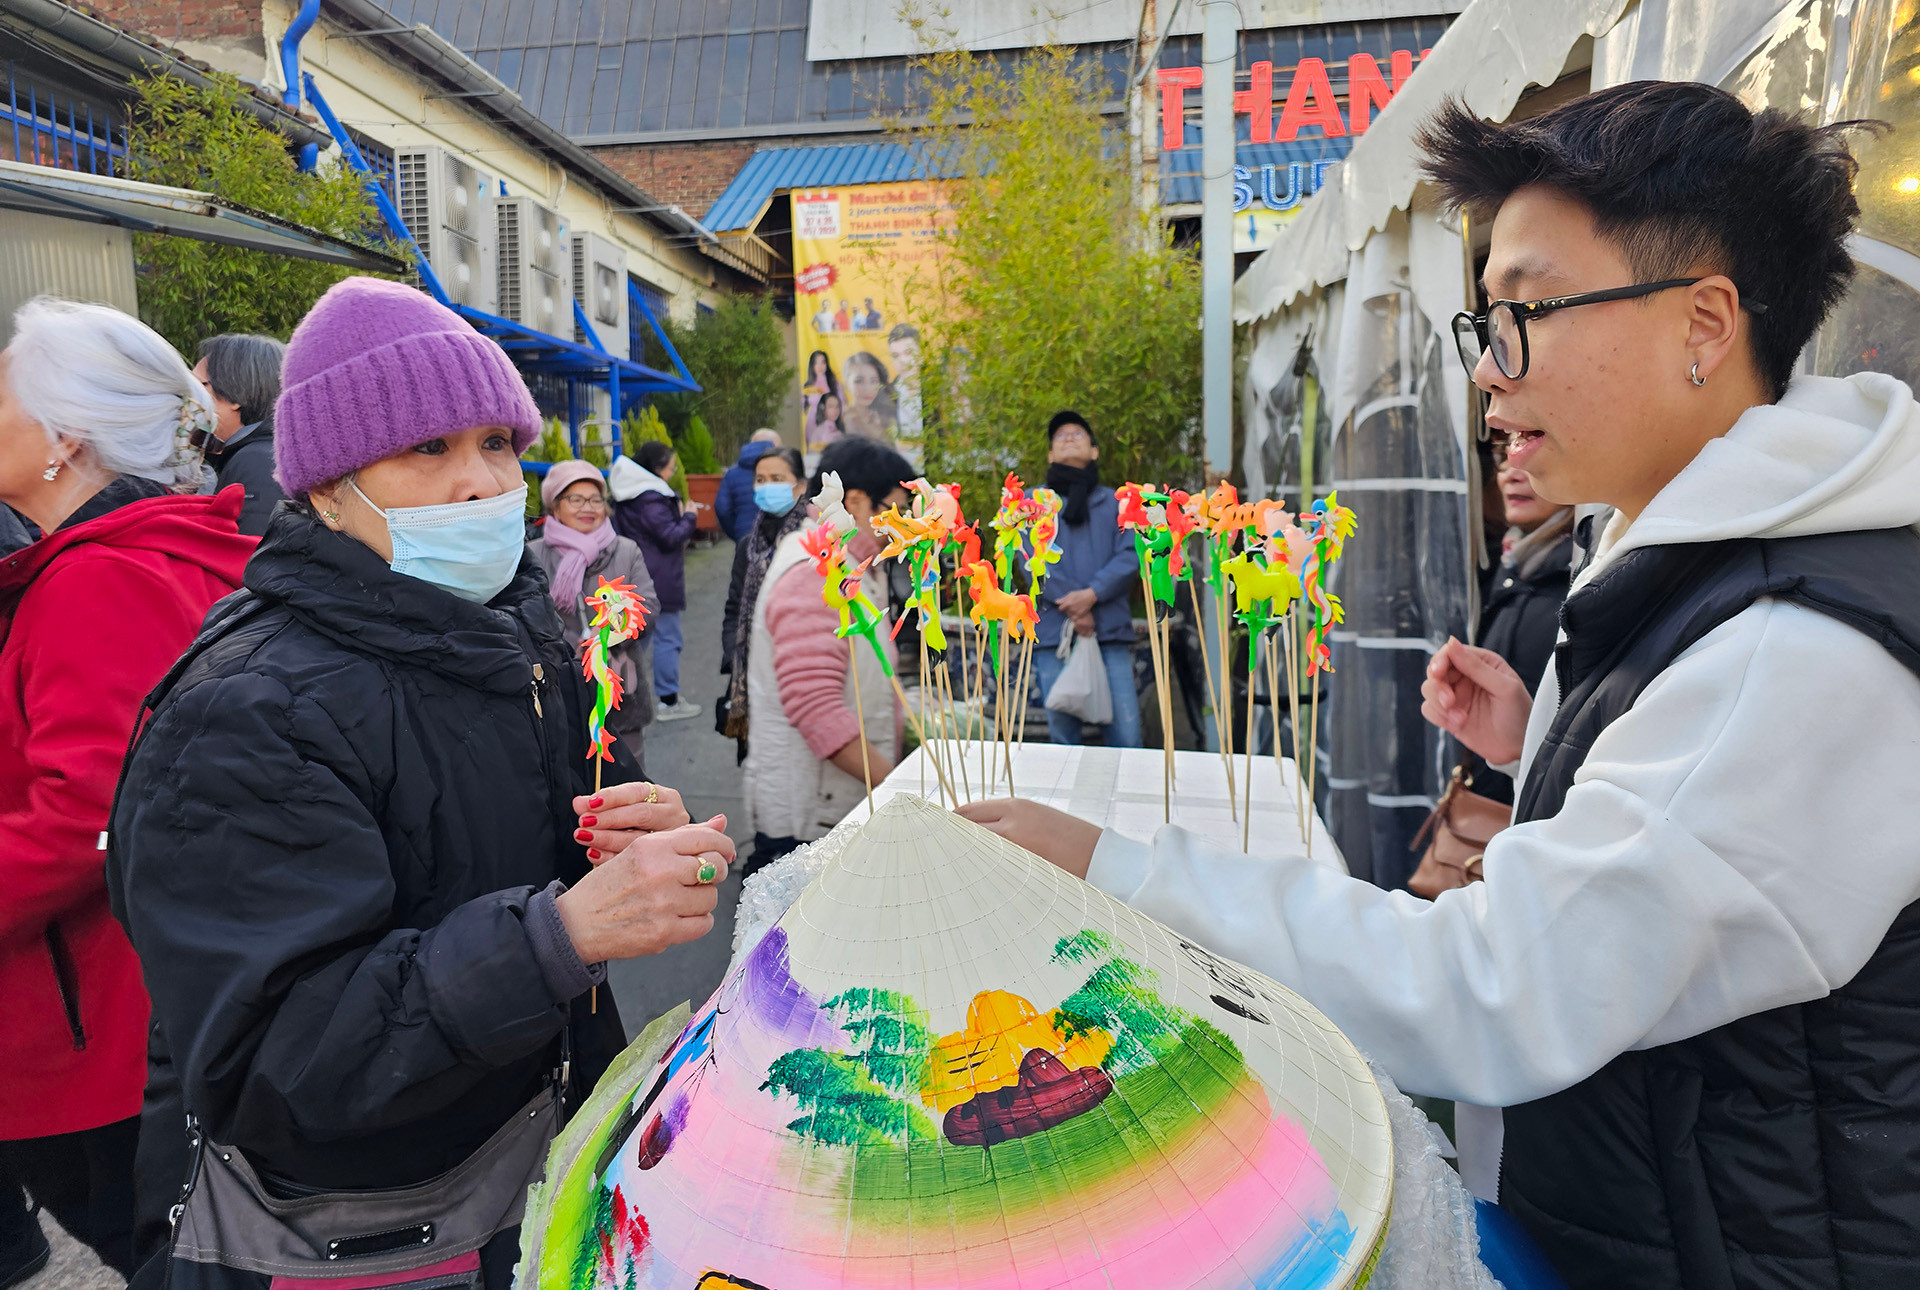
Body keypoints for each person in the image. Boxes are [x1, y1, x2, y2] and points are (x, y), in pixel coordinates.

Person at [960, 83, 1920, 1289]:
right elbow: (1697, 863)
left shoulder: (1793, 644)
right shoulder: (1705, 555)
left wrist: (1120, 875)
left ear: (1706, 322)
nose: (1488, 376)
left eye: (1527, 311)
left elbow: (1492, 986)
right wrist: (1542, 755)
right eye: (1483, 325)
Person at [106, 279, 732, 1288]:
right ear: (321, 486)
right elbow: (272, 1059)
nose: (481, 483)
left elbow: (495, 858)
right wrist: (558, 937)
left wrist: (619, 833)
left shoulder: (520, 624)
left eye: (497, 443)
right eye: (428, 450)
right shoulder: (242, 711)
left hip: (529, 1174)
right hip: (365, 1235)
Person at [0, 298, 253, 1281]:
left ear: (65, 438)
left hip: (103, 1028)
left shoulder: (98, 581)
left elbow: (87, 814)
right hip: (157, 1004)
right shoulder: (168, 552)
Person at [742, 437, 912, 876]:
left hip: (832, 802)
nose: (905, 525)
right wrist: (899, 788)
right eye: (895, 510)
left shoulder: (850, 563)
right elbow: (816, 708)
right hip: (813, 816)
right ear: (856, 501)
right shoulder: (817, 572)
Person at [529, 459, 660, 769]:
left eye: (596, 499)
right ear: (556, 507)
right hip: (557, 684)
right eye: (575, 499)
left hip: (619, 686)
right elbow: (528, 614)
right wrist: (571, 644)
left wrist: (605, 637)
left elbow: (649, 608)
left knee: (629, 774)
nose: (587, 507)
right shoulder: (534, 554)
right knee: (568, 775)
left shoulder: (625, 550)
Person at [1465, 441, 1574, 803]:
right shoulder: (1509, 564)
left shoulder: (1580, 581)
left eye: (1531, 448)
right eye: (1502, 458)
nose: (1511, 473)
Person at [1028, 411, 1141, 748]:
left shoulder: (1118, 503)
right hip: (1055, 632)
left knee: (1127, 735)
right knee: (1064, 739)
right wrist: (1075, 605)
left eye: (1078, 433)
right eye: (1060, 435)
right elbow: (1027, 558)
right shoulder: (1033, 504)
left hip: (1110, 630)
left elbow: (1129, 554)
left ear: (1094, 451)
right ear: (1050, 454)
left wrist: (1092, 594)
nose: (1069, 437)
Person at [718, 446, 809, 757]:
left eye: (777, 478)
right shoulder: (748, 544)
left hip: (801, 676)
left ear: (801, 485)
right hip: (753, 681)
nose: (768, 486)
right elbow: (733, 608)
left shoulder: (817, 541)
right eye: (761, 479)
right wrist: (737, 656)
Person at [610, 438, 700, 720]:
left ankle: (614, 696)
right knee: (666, 639)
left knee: (632, 641)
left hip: (633, 575)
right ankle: (669, 700)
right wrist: (689, 517)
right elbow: (670, 536)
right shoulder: (653, 498)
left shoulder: (629, 494)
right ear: (658, 468)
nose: (672, 473)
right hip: (660, 579)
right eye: (671, 468)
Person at [192, 334, 287, 537]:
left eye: (197, 386)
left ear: (235, 395)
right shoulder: (268, 452)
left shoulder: (255, 462)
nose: (189, 399)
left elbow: (251, 558)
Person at [715, 428, 781, 542]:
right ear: (773, 445)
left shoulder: (732, 474)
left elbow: (722, 509)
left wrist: (736, 531)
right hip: (778, 535)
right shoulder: (782, 470)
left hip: (744, 534)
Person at [841, 350, 898, 443]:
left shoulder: (883, 416)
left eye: (874, 381)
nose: (867, 389)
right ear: (846, 383)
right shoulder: (844, 418)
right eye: (859, 381)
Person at [801, 350, 839, 424]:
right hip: (813, 423)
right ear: (812, 365)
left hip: (832, 424)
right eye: (816, 363)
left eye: (823, 362)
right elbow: (803, 406)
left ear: (826, 364)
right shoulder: (807, 385)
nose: (820, 366)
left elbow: (842, 404)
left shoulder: (834, 383)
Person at [808, 391, 846, 457]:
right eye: (831, 406)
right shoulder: (819, 432)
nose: (835, 410)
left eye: (837, 406)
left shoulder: (841, 430)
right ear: (823, 408)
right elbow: (813, 456)